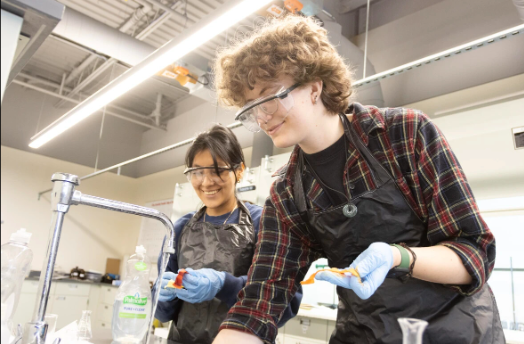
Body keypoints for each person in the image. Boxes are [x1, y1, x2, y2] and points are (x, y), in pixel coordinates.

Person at [211, 15, 503, 344]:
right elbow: (263, 297)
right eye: (251, 109)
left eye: (268, 98)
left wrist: (398, 256)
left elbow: (474, 252)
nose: (262, 118)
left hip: (453, 333)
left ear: (313, 87)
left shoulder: (404, 134)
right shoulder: (287, 192)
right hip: (367, 334)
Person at [154, 125, 302, 344]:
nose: (206, 182)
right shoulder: (180, 229)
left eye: (217, 171)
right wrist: (161, 297)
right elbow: (162, 315)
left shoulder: (265, 223)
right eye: (197, 172)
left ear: (239, 170)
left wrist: (224, 284)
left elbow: (286, 303)